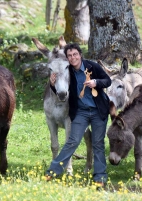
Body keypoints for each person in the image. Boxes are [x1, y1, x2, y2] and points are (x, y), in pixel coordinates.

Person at [45, 43, 111, 187]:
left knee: (98, 143)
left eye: (75, 54)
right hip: (81, 111)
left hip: (98, 111)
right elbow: (60, 87)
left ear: (80, 54)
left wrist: (96, 82)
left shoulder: (92, 67)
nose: (72, 57)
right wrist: (51, 84)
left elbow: (108, 81)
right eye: (69, 55)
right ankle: (53, 171)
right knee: (72, 141)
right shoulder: (68, 72)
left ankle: (100, 176)